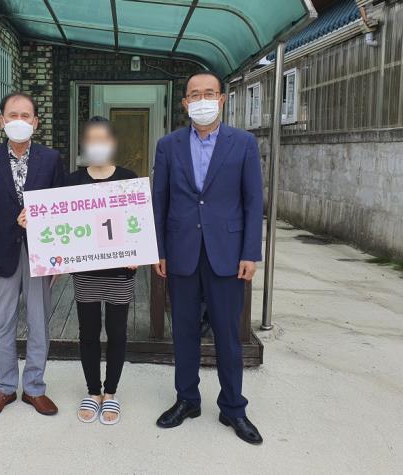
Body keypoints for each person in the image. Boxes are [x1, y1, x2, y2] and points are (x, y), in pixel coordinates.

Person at [152, 71, 264, 444]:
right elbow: (159, 200)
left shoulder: (243, 143)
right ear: (185, 102)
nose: (202, 101)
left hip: (227, 254)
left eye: (209, 93)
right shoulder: (168, 146)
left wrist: (250, 252)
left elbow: (253, 201)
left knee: (228, 334)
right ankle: (187, 400)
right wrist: (159, 249)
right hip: (181, 251)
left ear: (222, 99)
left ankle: (233, 407)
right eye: (195, 95)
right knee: (183, 331)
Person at [0, 92, 65, 419]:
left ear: (35, 122)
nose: (19, 121)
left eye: (26, 116)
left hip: (42, 251)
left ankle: (35, 388)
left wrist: (60, 256)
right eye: (13, 115)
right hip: (1, 251)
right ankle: (5, 387)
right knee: (4, 321)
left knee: (39, 321)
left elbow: (61, 207)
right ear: (2, 121)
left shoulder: (51, 159)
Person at [63, 116, 137, 425]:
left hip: (120, 272)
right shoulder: (71, 181)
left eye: (103, 139)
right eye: (91, 139)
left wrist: (137, 251)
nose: (97, 145)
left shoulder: (129, 178)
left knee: (118, 334)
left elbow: (137, 222)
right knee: (89, 333)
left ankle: (111, 392)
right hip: (86, 273)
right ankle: (93, 392)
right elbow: (61, 224)